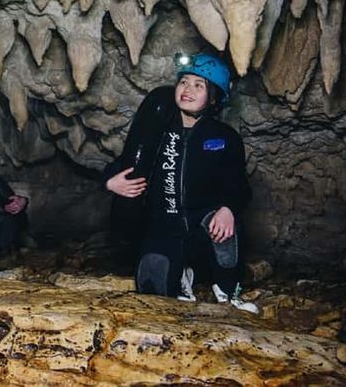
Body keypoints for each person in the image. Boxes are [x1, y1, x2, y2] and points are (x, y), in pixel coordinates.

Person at [104, 52, 258, 313]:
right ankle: (182, 278)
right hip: (164, 225)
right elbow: (125, 163)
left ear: (213, 97)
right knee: (152, 288)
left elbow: (238, 185)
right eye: (184, 82)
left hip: (203, 225)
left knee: (226, 230)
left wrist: (228, 208)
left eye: (199, 86)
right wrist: (109, 182)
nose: (188, 89)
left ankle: (227, 290)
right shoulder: (158, 130)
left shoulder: (225, 138)